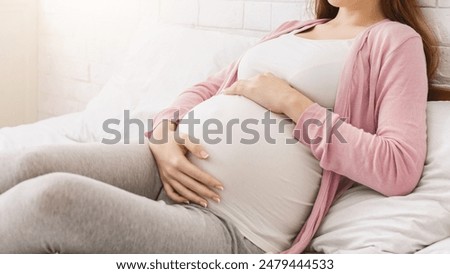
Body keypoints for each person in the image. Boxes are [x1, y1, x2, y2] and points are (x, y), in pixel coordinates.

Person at [0, 0, 439, 254]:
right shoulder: (293, 29)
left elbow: (397, 167)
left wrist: (291, 102)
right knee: (27, 164)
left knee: (51, 199)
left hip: (231, 225)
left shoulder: (394, 41)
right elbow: (205, 88)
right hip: (163, 166)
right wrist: (164, 135)